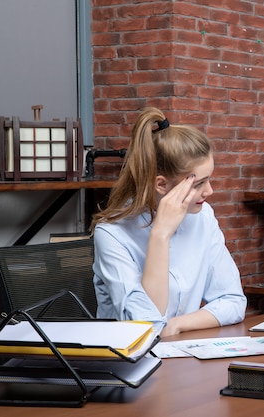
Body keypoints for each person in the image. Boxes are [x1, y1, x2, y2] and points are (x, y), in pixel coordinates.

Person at [91, 107, 247, 337]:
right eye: (198, 184)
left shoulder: (203, 217)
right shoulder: (112, 235)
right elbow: (147, 327)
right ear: (161, 184)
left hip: (179, 354)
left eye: (209, 180)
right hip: (127, 365)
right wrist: (160, 235)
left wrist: (178, 324)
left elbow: (233, 301)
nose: (209, 191)